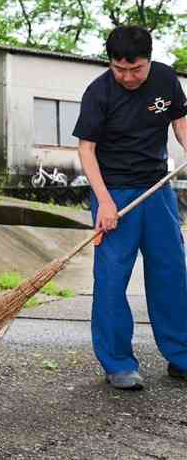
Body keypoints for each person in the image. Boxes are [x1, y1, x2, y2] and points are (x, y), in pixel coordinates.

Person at [73, 25, 187, 390]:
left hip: (157, 189)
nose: (127, 77)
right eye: (118, 69)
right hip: (115, 192)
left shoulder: (166, 80)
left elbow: (179, 123)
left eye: (135, 70)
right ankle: (118, 362)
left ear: (149, 60)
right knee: (111, 278)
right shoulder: (99, 93)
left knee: (171, 271)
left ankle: (181, 355)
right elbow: (86, 150)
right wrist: (104, 201)